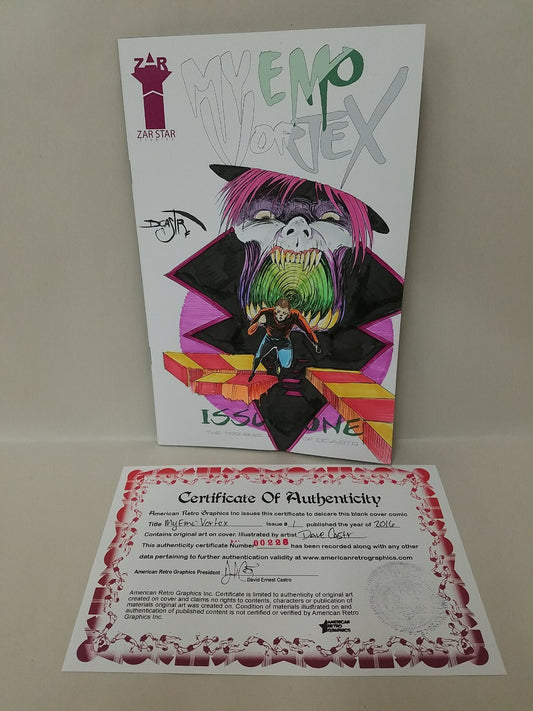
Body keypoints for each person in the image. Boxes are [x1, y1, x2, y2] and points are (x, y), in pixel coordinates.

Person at [247, 298, 320, 380]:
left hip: (284, 342)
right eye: (278, 312)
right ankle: (252, 373)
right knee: (258, 357)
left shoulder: (295, 315)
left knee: (286, 365)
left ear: (288, 313)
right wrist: (258, 323)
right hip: (269, 339)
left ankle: (278, 363)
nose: (280, 315)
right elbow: (249, 331)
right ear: (275, 310)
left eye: (284, 313)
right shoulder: (266, 312)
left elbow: (307, 329)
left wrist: (315, 342)